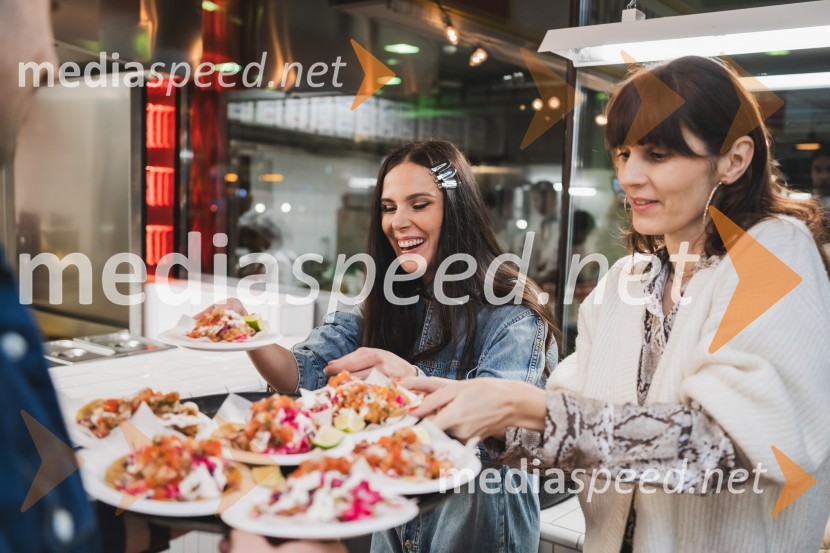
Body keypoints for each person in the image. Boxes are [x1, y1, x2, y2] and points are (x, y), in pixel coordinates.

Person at [405, 56, 830, 553]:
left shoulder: (776, 250)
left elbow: (726, 450)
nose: (629, 176)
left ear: (734, 159)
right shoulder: (624, 284)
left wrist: (531, 406)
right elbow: (575, 441)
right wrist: (458, 406)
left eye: (657, 154)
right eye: (624, 153)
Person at [210, 139, 558, 553]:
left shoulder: (514, 315)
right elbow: (301, 374)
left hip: (474, 524)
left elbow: (507, 430)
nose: (399, 222)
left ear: (457, 209)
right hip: (397, 522)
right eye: (389, 207)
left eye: (419, 204)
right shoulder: (385, 300)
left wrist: (410, 381)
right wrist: (248, 331)